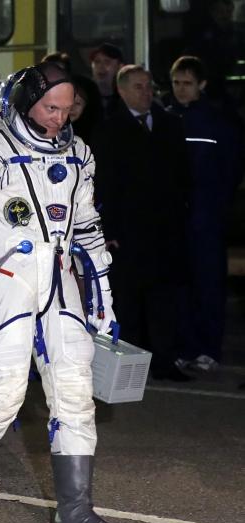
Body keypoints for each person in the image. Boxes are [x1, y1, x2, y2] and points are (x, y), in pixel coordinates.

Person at [0, 63, 127, 523]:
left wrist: (102, 294)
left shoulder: (79, 153)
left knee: (75, 393)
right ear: (23, 103)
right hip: (6, 281)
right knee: (3, 399)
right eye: (51, 107)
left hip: (59, 280)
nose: (61, 118)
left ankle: (75, 511)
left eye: (68, 108)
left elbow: (85, 224)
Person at [93, 64, 192, 381]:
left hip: (165, 229)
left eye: (149, 86)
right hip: (129, 231)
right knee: (130, 301)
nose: (147, 93)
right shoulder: (109, 130)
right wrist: (110, 230)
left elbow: (182, 176)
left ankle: (164, 360)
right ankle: (129, 369)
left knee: (163, 299)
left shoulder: (169, 124)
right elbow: (105, 184)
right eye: (138, 87)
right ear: (121, 91)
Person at [165, 56, 243, 371]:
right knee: (180, 286)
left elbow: (231, 169)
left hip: (206, 217)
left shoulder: (217, 122)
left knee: (208, 285)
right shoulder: (166, 118)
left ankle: (208, 348)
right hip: (176, 219)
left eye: (187, 83)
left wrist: (215, 206)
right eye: (176, 83)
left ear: (202, 85)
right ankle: (186, 345)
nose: (181, 90)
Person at [89, 43, 125, 118]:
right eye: (97, 62)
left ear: (119, 67)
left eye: (107, 62)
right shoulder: (83, 96)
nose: (100, 66)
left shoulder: (127, 97)